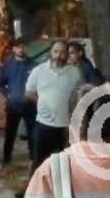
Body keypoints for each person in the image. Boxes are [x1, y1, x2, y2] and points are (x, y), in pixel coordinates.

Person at [24, 38, 85, 174]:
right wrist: (42, 103)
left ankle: (58, 187)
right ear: (50, 52)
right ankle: (34, 186)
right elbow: (29, 92)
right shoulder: (39, 70)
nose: (58, 55)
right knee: (38, 162)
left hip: (63, 126)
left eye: (62, 52)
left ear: (67, 54)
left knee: (61, 164)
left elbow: (79, 94)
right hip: (42, 124)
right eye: (56, 51)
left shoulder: (74, 73)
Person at [0, 40, 36, 168]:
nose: (21, 49)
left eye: (23, 47)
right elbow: (1, 83)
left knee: (32, 134)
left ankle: (33, 160)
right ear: (13, 49)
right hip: (13, 105)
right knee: (10, 134)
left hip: (30, 104)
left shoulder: (34, 64)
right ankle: (6, 161)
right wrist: (8, 94)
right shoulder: (8, 65)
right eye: (18, 47)